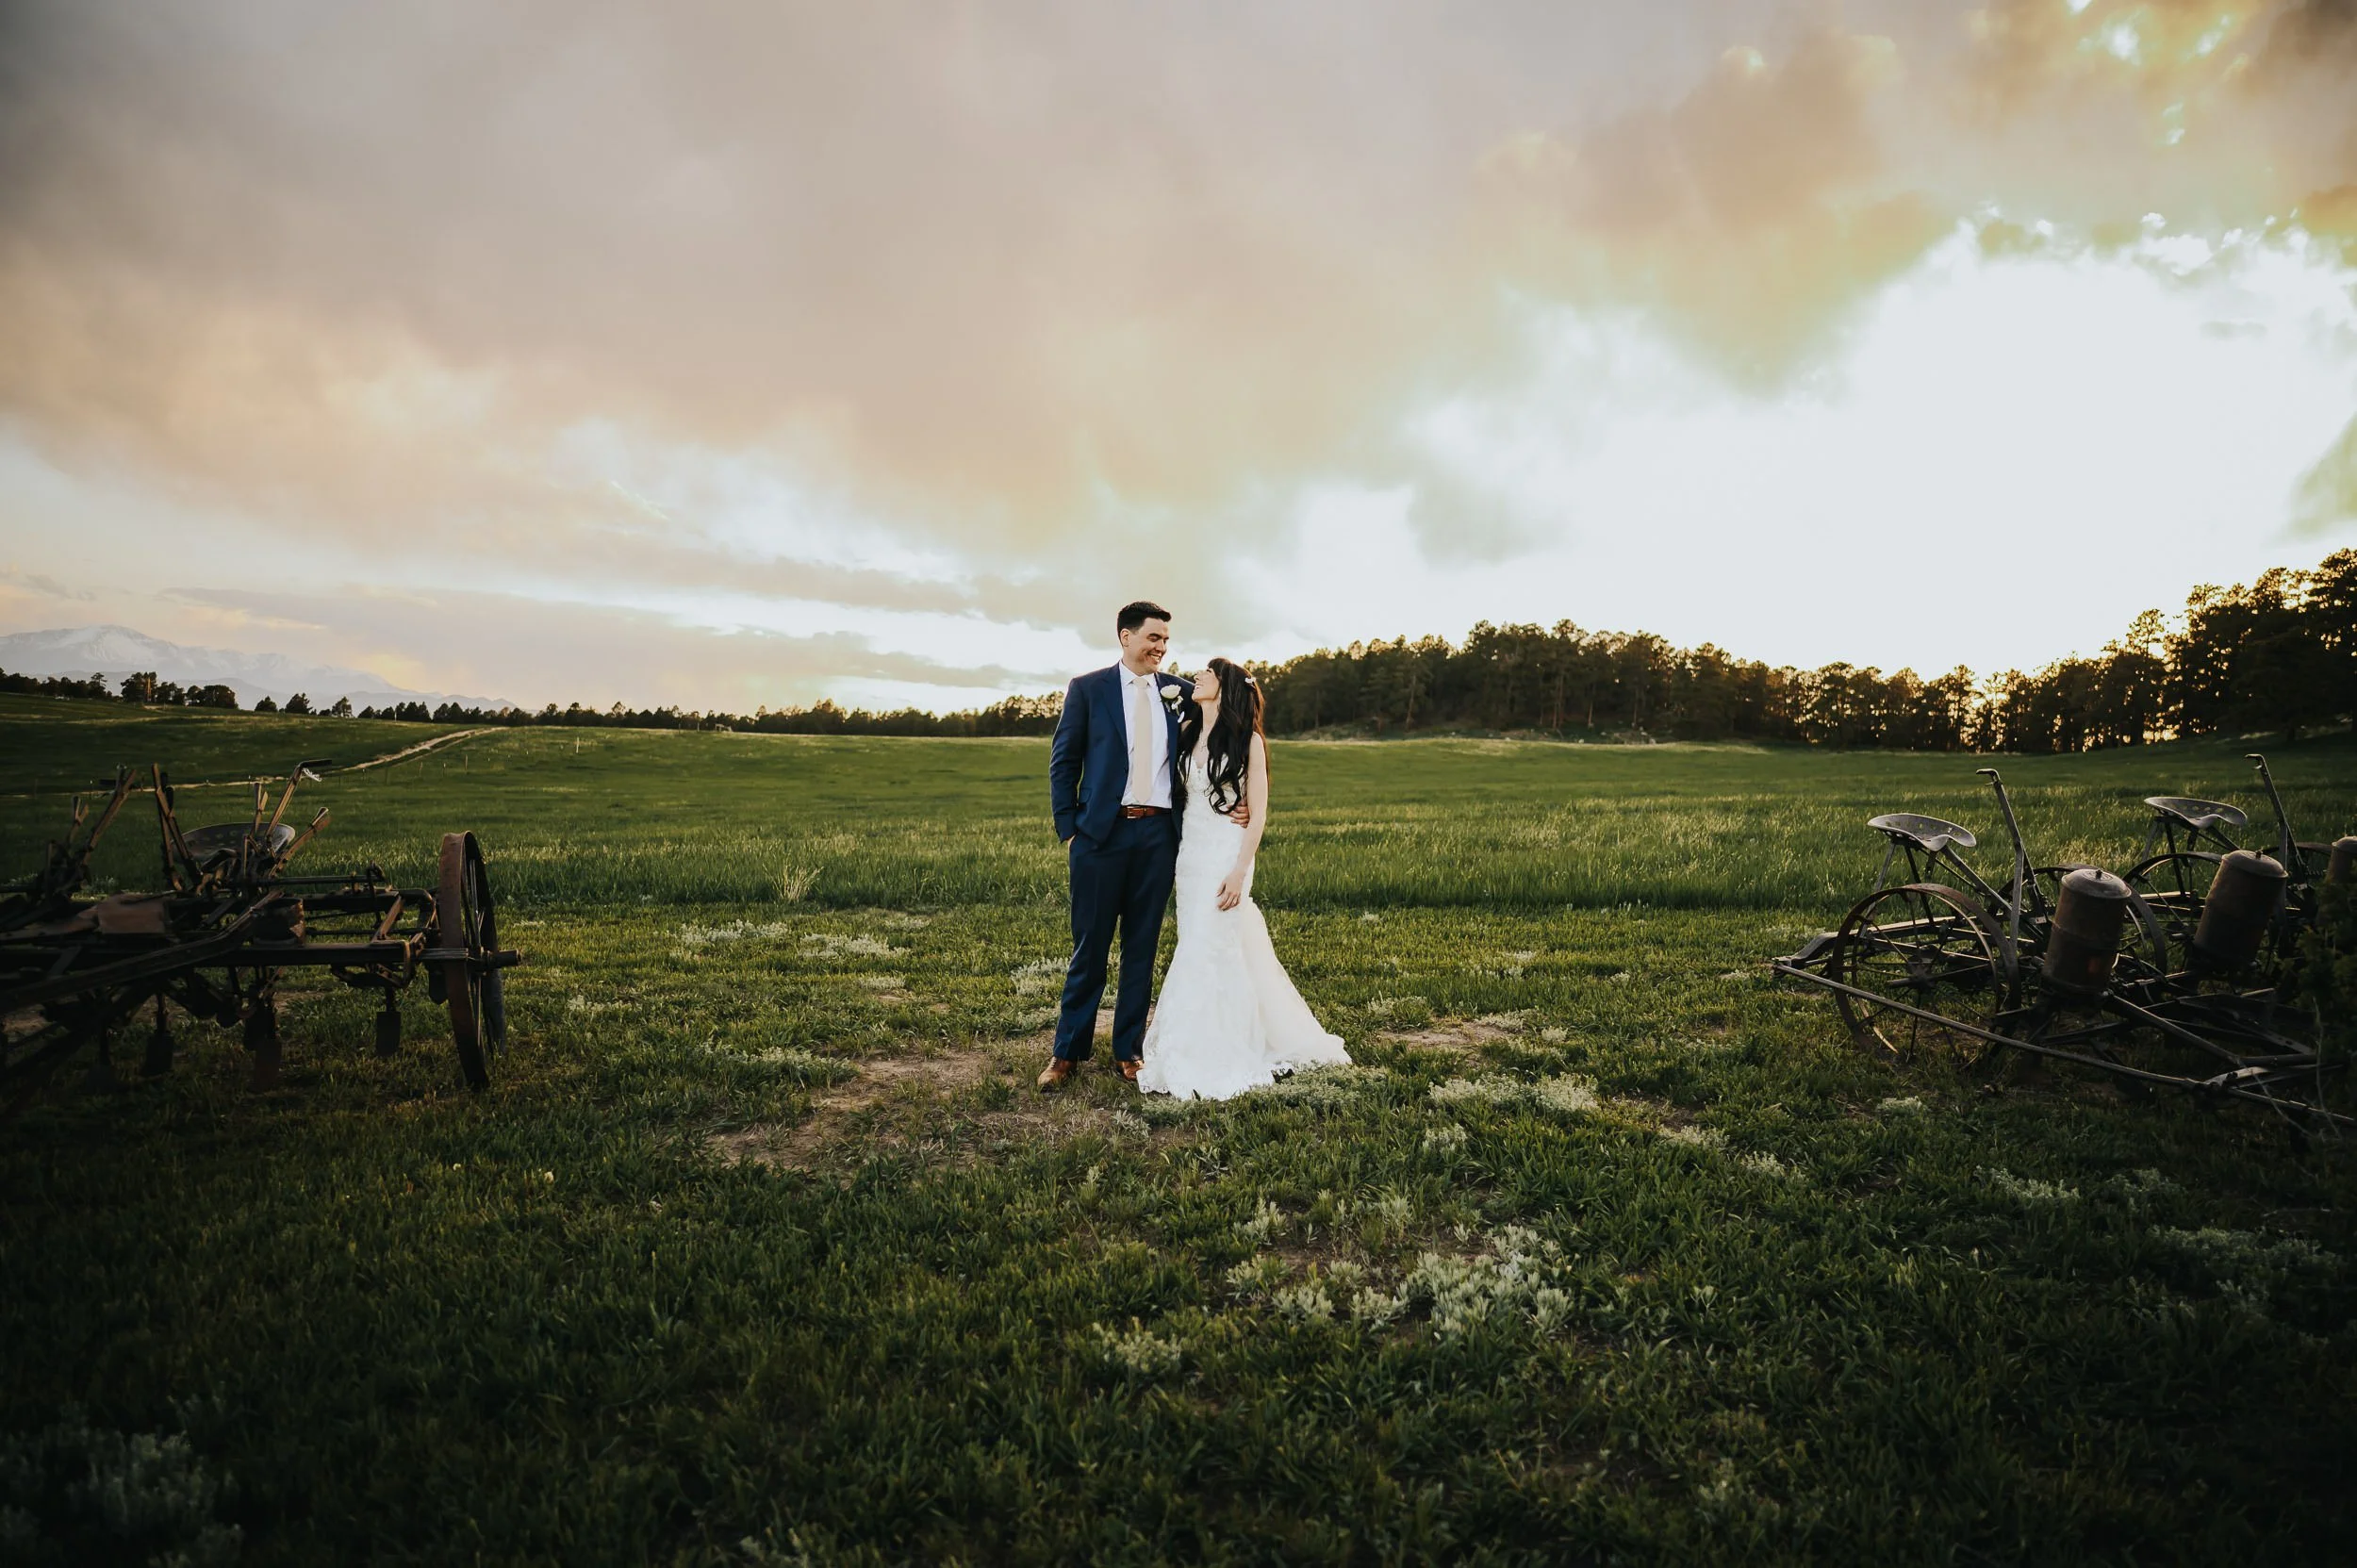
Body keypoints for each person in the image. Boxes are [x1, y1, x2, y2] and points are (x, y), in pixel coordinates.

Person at [1040, 602, 1241, 1087]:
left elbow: (1229, 734)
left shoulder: (1182, 693)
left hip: (1158, 837)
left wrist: (1236, 796)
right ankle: (1066, 1053)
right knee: (1089, 946)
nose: (1161, 647)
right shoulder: (1088, 689)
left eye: (1166, 640)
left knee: (1141, 947)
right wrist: (1069, 828)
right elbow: (1063, 761)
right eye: (1153, 638)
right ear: (1125, 637)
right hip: (1100, 836)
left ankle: (1128, 1051)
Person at [1136, 657, 1350, 1100]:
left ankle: (1216, 1049)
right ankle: (1198, 1037)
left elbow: (1258, 814)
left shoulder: (1247, 740)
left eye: (1206, 674)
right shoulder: (1188, 733)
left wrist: (1238, 872)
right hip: (1190, 856)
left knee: (1210, 945)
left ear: (1225, 685)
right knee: (1198, 940)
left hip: (1226, 856)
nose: (1196, 677)